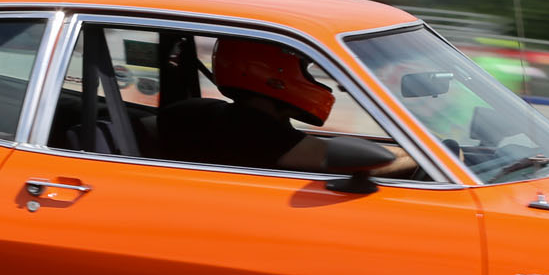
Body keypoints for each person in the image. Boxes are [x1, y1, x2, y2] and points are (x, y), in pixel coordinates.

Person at [158, 38, 415, 176]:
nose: (315, 82)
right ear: (272, 75)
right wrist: (426, 157)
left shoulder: (204, 112)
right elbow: (357, 161)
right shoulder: (254, 132)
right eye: (306, 71)